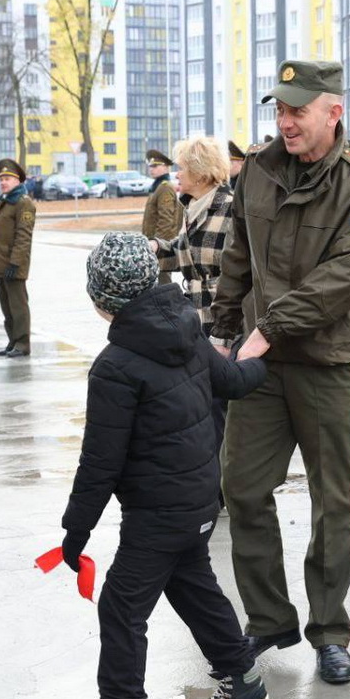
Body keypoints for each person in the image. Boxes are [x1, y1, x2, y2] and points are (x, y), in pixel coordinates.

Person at [210, 59, 350, 686]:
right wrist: (222, 324)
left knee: (332, 501)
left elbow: (341, 279)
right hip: (262, 360)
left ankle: (329, 630)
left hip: (332, 361)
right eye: (279, 109)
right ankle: (268, 618)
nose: (285, 121)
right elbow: (241, 250)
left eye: (297, 110)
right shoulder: (259, 169)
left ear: (332, 112)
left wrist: (266, 328)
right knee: (242, 487)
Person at [56, 233, 270, 699]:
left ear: (101, 299)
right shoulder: (187, 329)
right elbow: (234, 382)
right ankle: (240, 678)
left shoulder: (115, 366)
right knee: (190, 582)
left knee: (121, 608)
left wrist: (75, 530)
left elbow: (100, 462)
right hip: (198, 498)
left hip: (158, 512)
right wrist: (261, 356)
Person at [150, 137, 237, 469]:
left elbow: (238, 272)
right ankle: (212, 483)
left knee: (219, 408)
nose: (177, 174)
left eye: (182, 168)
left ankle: (224, 486)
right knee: (204, 407)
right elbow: (183, 252)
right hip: (198, 320)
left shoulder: (230, 207)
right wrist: (157, 248)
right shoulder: (193, 206)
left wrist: (225, 336)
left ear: (201, 172)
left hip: (225, 322)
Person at [0, 158, 35, 358]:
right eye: (1, 178)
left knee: (18, 306)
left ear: (18, 181)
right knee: (7, 307)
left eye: (7, 178)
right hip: (1, 265)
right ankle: (13, 341)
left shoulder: (23, 203)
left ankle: (22, 344)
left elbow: (24, 236)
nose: (3, 182)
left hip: (14, 265)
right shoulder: (5, 202)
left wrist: (15, 262)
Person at [143, 150, 184, 284]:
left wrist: (159, 245)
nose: (152, 169)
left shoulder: (165, 188)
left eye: (155, 166)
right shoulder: (158, 186)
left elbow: (166, 220)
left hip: (160, 244)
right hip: (153, 243)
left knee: (162, 283)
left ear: (166, 167)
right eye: (150, 166)